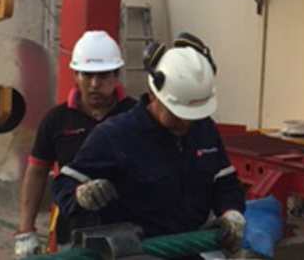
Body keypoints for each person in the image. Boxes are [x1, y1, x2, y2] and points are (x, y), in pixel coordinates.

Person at [50, 33, 246, 253]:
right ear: (153, 94)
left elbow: (224, 182)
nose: (186, 123)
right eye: (177, 115)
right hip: (138, 253)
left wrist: (231, 213)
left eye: (193, 116)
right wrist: (81, 195)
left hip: (191, 249)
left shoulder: (204, 128)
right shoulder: (115, 136)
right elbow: (63, 184)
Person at [15, 31, 137, 257]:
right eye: (87, 75)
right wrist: (26, 230)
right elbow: (37, 173)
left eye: (103, 76)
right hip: (73, 234)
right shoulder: (56, 120)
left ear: (116, 75)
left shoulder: (137, 116)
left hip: (131, 234)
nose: (94, 84)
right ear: (75, 75)